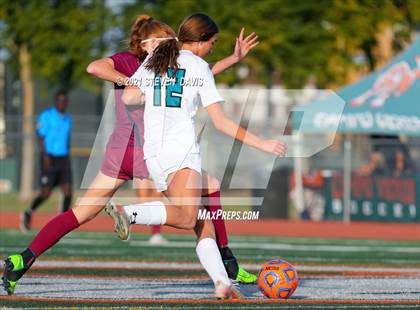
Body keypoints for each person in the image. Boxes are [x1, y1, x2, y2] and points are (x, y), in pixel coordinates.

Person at [1, 15, 259, 297]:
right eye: (165, 38)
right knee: (204, 196)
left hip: (120, 151)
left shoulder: (165, 62)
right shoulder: (131, 60)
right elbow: (95, 67)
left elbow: (201, 73)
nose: (171, 43)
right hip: (145, 151)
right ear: (148, 42)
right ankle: (227, 263)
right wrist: (131, 82)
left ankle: (22, 259)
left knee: (81, 213)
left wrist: (234, 59)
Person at [113, 12, 286, 295]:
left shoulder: (156, 59)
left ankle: (222, 282)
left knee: (207, 203)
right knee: (186, 217)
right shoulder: (198, 67)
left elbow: (129, 97)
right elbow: (222, 122)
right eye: (213, 43)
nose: (212, 49)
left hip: (154, 155)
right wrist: (262, 143)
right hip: (181, 152)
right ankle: (129, 213)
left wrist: (154, 93)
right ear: (202, 41)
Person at [20, 90, 72, 232]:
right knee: (46, 193)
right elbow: (40, 137)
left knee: (68, 192)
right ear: (56, 102)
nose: (63, 103)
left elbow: (67, 139)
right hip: (49, 157)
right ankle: (28, 212)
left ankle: (62, 224)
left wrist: (67, 154)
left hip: (63, 158)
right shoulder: (46, 116)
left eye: (65, 101)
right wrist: (45, 156)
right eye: (60, 100)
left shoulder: (68, 118)